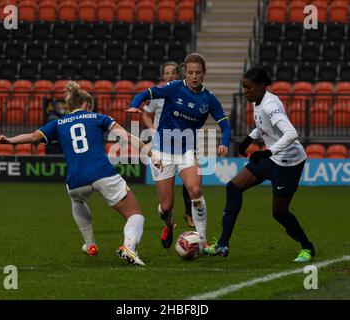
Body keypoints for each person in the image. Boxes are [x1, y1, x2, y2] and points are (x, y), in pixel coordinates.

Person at [0, 81, 151, 266]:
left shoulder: (58, 123)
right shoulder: (99, 117)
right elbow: (127, 137)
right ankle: (129, 248)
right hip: (102, 173)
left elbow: (33, 137)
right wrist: (150, 152)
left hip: (75, 180)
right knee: (135, 215)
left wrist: (9, 140)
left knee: (77, 199)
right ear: (87, 104)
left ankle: (90, 244)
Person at [207, 67, 315, 263]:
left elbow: (291, 133)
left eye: (248, 88)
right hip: (272, 158)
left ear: (261, 87)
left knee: (279, 213)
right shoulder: (259, 100)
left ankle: (307, 247)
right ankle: (222, 244)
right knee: (233, 187)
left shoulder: (270, 105)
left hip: (289, 162)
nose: (245, 91)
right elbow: (262, 125)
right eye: (243, 87)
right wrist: (249, 138)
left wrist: (267, 151)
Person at [127, 53, 231, 249]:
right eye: (190, 72)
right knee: (166, 207)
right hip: (162, 151)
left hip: (187, 150)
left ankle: (202, 240)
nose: (194, 76)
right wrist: (134, 105)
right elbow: (146, 94)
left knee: (195, 190)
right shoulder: (174, 88)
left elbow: (225, 125)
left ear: (204, 74)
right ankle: (168, 224)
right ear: (185, 72)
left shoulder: (209, 99)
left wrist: (224, 141)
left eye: (198, 73)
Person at [142, 61, 194, 228]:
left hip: (184, 144)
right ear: (163, 76)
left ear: (178, 75)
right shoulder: (157, 94)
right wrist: (152, 130)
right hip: (162, 146)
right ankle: (167, 220)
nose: (170, 75)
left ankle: (189, 214)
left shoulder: (185, 92)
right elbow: (146, 115)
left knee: (191, 185)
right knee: (166, 206)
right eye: (167, 73)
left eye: (173, 72)